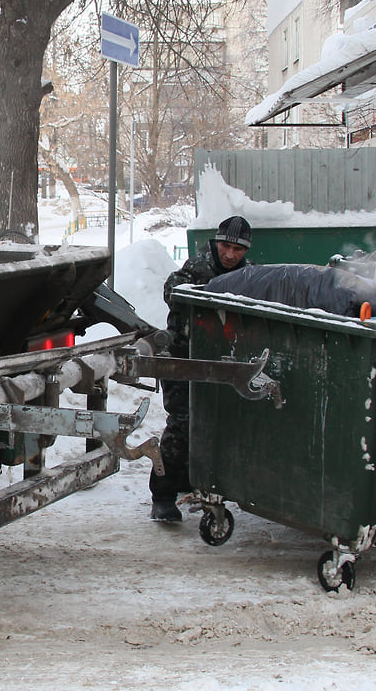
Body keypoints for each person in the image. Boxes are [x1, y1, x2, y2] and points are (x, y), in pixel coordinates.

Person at [150, 215, 253, 522]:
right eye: (225, 246)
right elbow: (171, 291)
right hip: (183, 361)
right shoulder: (196, 268)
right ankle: (163, 495)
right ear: (216, 242)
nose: (230, 255)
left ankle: (188, 478)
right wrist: (207, 294)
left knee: (213, 424)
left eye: (238, 249)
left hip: (219, 364)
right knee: (182, 423)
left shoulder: (249, 275)